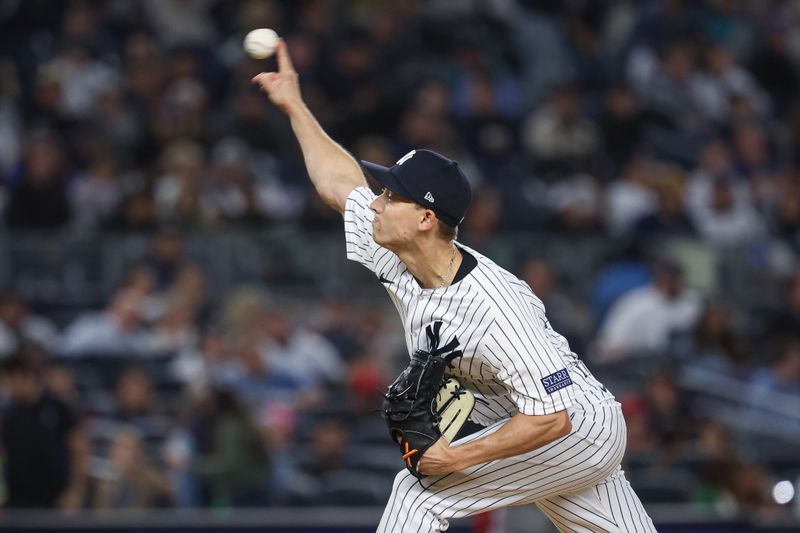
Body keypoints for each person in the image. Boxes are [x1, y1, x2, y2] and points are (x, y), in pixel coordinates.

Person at [252, 41, 655, 532]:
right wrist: (295, 106)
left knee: (419, 494)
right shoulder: (394, 245)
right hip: (535, 425)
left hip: (574, 429)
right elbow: (338, 182)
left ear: (424, 218)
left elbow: (553, 418)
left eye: (389, 195)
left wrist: (458, 456)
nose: (375, 203)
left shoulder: (495, 306)